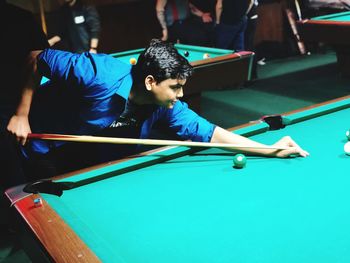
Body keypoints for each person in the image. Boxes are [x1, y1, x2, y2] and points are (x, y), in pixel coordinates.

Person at [6, 39, 308, 186]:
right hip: (42, 136)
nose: (180, 95)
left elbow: (208, 132)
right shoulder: (98, 73)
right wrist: (22, 114)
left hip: (90, 147)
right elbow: (36, 58)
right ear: (150, 82)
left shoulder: (167, 109)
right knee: (40, 195)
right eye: (175, 87)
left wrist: (269, 150)